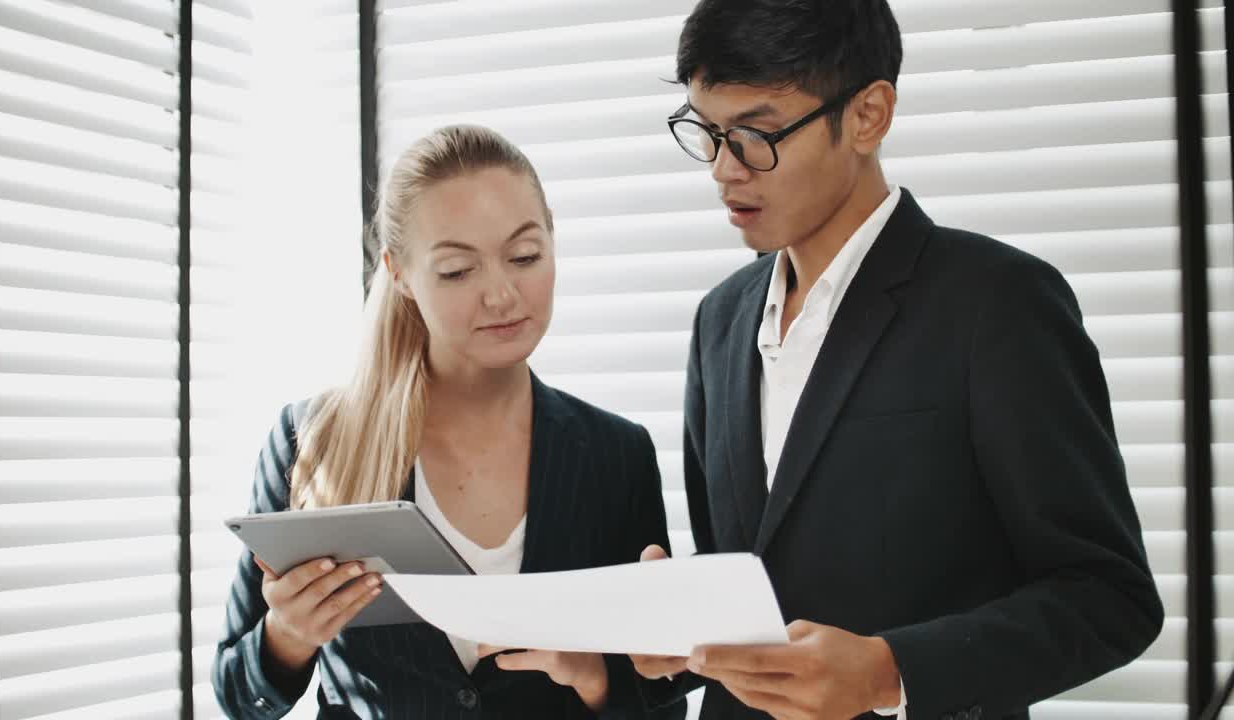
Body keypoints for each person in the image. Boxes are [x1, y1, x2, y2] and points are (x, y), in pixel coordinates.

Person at [629, 2, 1165, 719]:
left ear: (868, 115)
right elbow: (756, 570)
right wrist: (678, 623)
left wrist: (892, 672)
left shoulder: (997, 304)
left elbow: (1111, 597)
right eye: (707, 133)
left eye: (755, 135)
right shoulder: (718, 321)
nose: (725, 171)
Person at [213, 125, 681, 719]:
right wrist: (288, 635)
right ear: (400, 274)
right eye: (459, 270)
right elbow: (236, 696)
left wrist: (589, 674)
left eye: (525, 256)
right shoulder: (313, 440)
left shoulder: (617, 455)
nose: (503, 295)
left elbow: (662, 700)